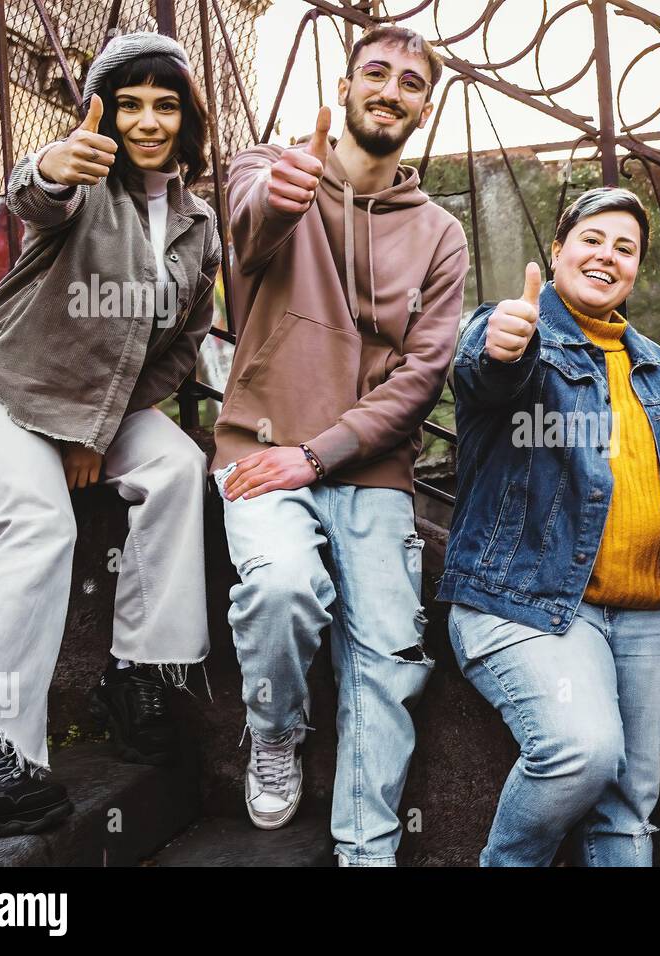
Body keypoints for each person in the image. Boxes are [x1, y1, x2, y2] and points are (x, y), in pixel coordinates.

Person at [0, 32, 220, 837]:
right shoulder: (85, 181)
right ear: (104, 114)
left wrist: (99, 427)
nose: (148, 121)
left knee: (179, 467)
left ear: (187, 116)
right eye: (130, 104)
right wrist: (57, 164)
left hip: (96, 412)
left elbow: (183, 347)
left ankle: (139, 671)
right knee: (41, 523)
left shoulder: (199, 226)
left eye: (165, 104)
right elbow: (34, 192)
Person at [213, 25, 468, 866]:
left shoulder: (440, 234)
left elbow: (422, 377)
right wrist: (286, 189)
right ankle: (277, 731)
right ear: (346, 84)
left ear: (424, 108)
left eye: (410, 82)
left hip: (368, 469)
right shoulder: (271, 168)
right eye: (376, 74)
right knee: (285, 587)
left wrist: (317, 455)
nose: (391, 90)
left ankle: (367, 850)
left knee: (390, 656)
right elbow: (250, 224)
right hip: (259, 447)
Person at [438, 186, 660, 866]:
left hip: (650, 614)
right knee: (581, 750)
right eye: (593, 239)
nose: (608, 256)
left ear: (636, 269)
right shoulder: (518, 331)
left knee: (630, 806)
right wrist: (505, 344)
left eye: (625, 248)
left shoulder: (659, 367)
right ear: (559, 249)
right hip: (528, 601)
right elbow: (485, 369)